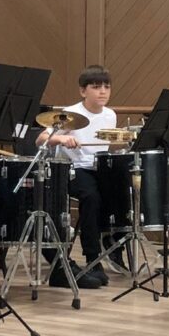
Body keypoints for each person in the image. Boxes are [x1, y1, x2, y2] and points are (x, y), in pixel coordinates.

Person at [36, 65, 123, 290]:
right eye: (96, 87)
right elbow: (42, 138)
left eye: (106, 87)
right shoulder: (70, 113)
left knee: (123, 191)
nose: (102, 91)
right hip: (73, 169)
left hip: (99, 168)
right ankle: (92, 258)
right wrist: (62, 140)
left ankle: (115, 246)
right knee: (91, 197)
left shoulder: (110, 115)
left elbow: (107, 145)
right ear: (83, 91)